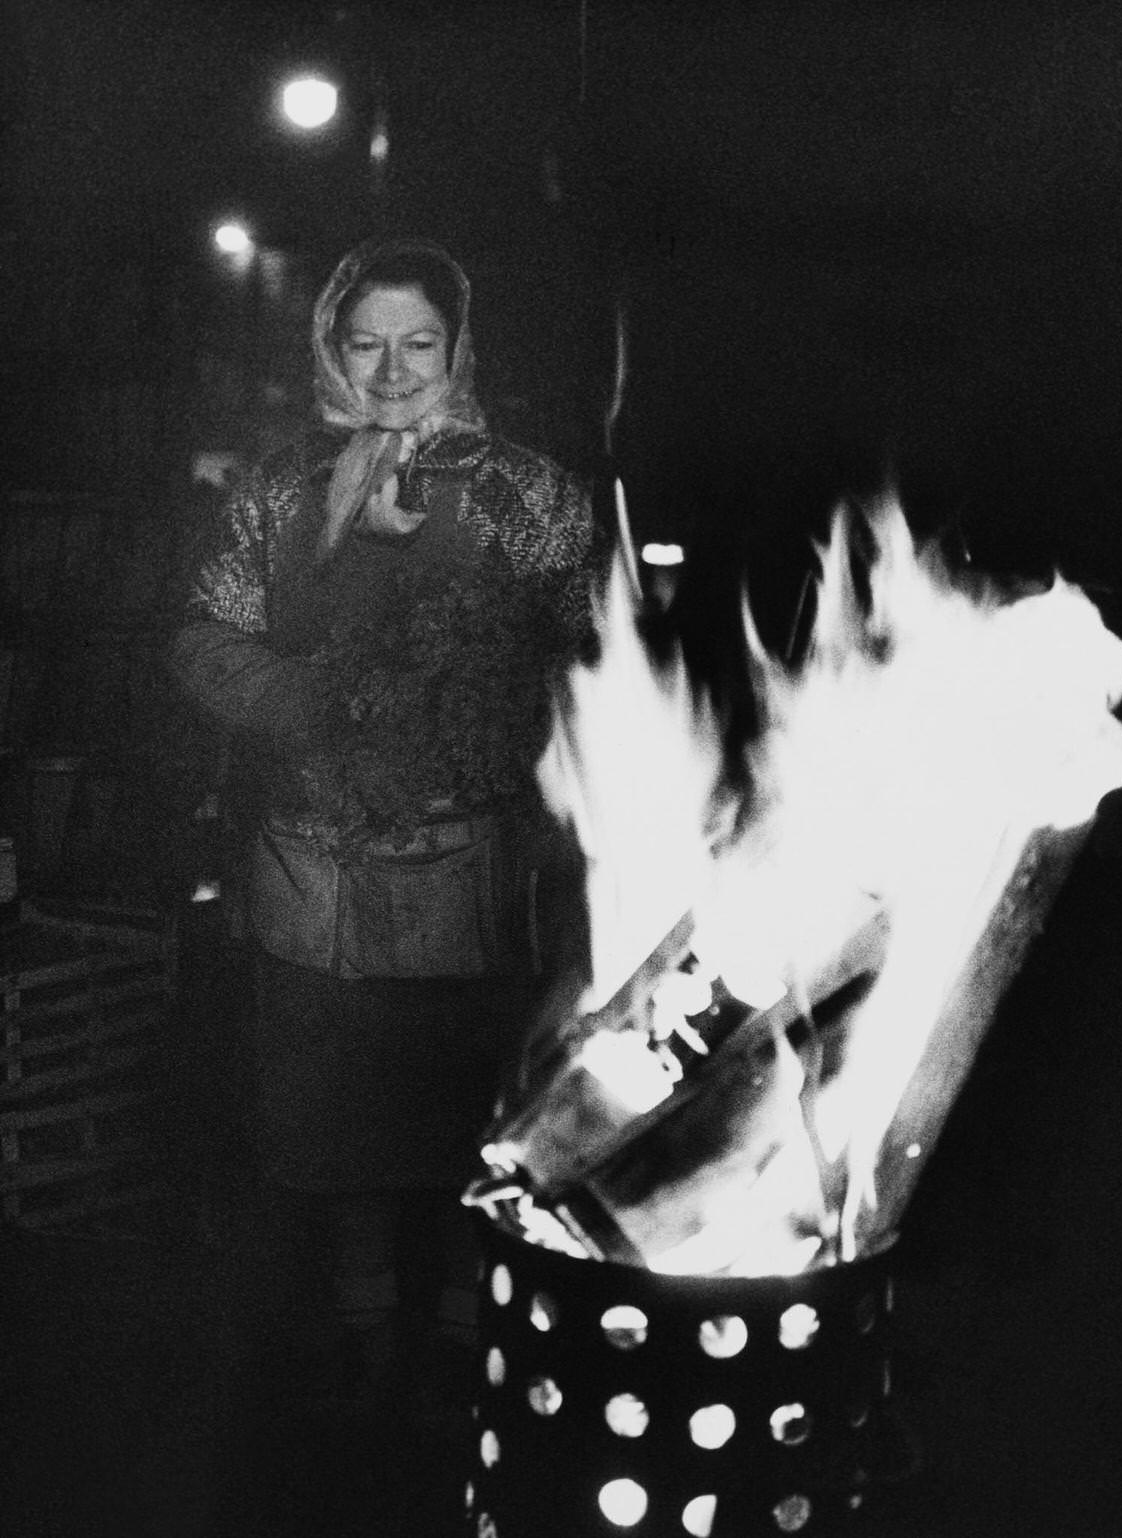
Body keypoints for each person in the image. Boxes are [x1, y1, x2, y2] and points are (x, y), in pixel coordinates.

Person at [167, 236, 599, 1416]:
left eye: (420, 343)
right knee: (342, 1132)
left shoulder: (530, 495)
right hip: (317, 872)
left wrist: (503, 710)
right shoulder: (277, 493)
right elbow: (203, 639)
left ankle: (467, 1347)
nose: (395, 368)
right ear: (331, 348)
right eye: (369, 343)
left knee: (471, 1120)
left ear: (459, 351)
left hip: (477, 873)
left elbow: (595, 663)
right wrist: (308, 701)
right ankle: (366, 1358)